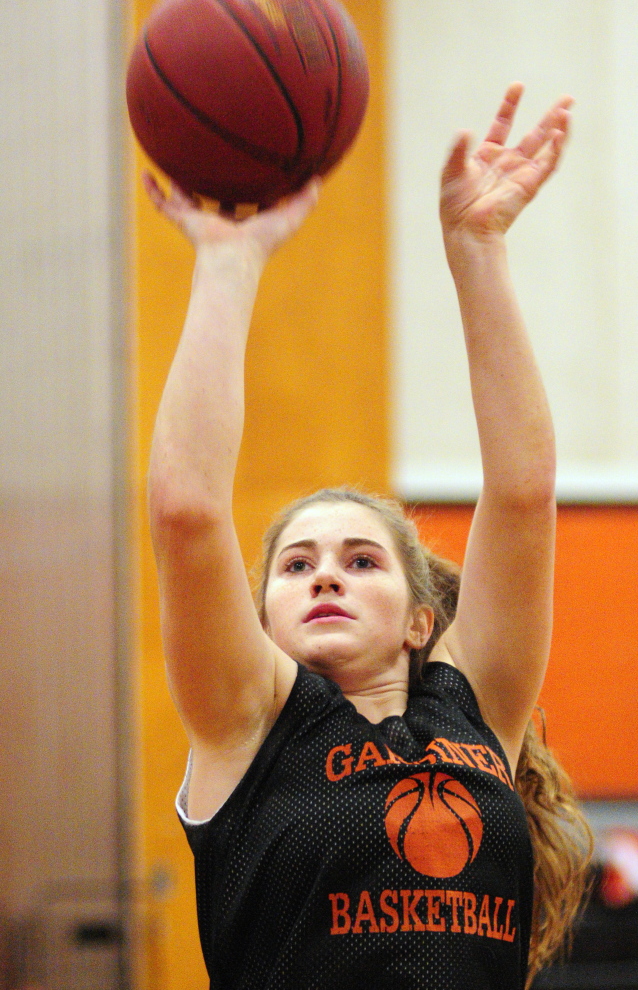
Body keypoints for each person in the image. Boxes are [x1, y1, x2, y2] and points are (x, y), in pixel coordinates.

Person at [144, 84, 592, 990]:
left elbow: (522, 491)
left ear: (420, 619)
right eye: (296, 564)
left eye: (360, 560)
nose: (324, 577)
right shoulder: (249, 727)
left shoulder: (479, 708)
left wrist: (478, 249)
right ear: (260, 619)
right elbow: (188, 510)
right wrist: (228, 261)